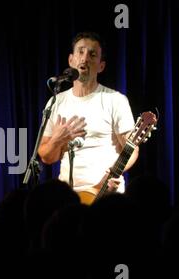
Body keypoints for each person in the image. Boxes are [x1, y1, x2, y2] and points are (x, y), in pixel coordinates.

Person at [38, 31, 139, 196]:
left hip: (106, 194)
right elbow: (47, 157)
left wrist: (115, 171)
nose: (85, 58)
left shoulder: (115, 100)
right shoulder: (56, 102)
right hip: (69, 197)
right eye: (80, 52)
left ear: (101, 66)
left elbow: (132, 148)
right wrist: (57, 139)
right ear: (71, 60)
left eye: (92, 54)